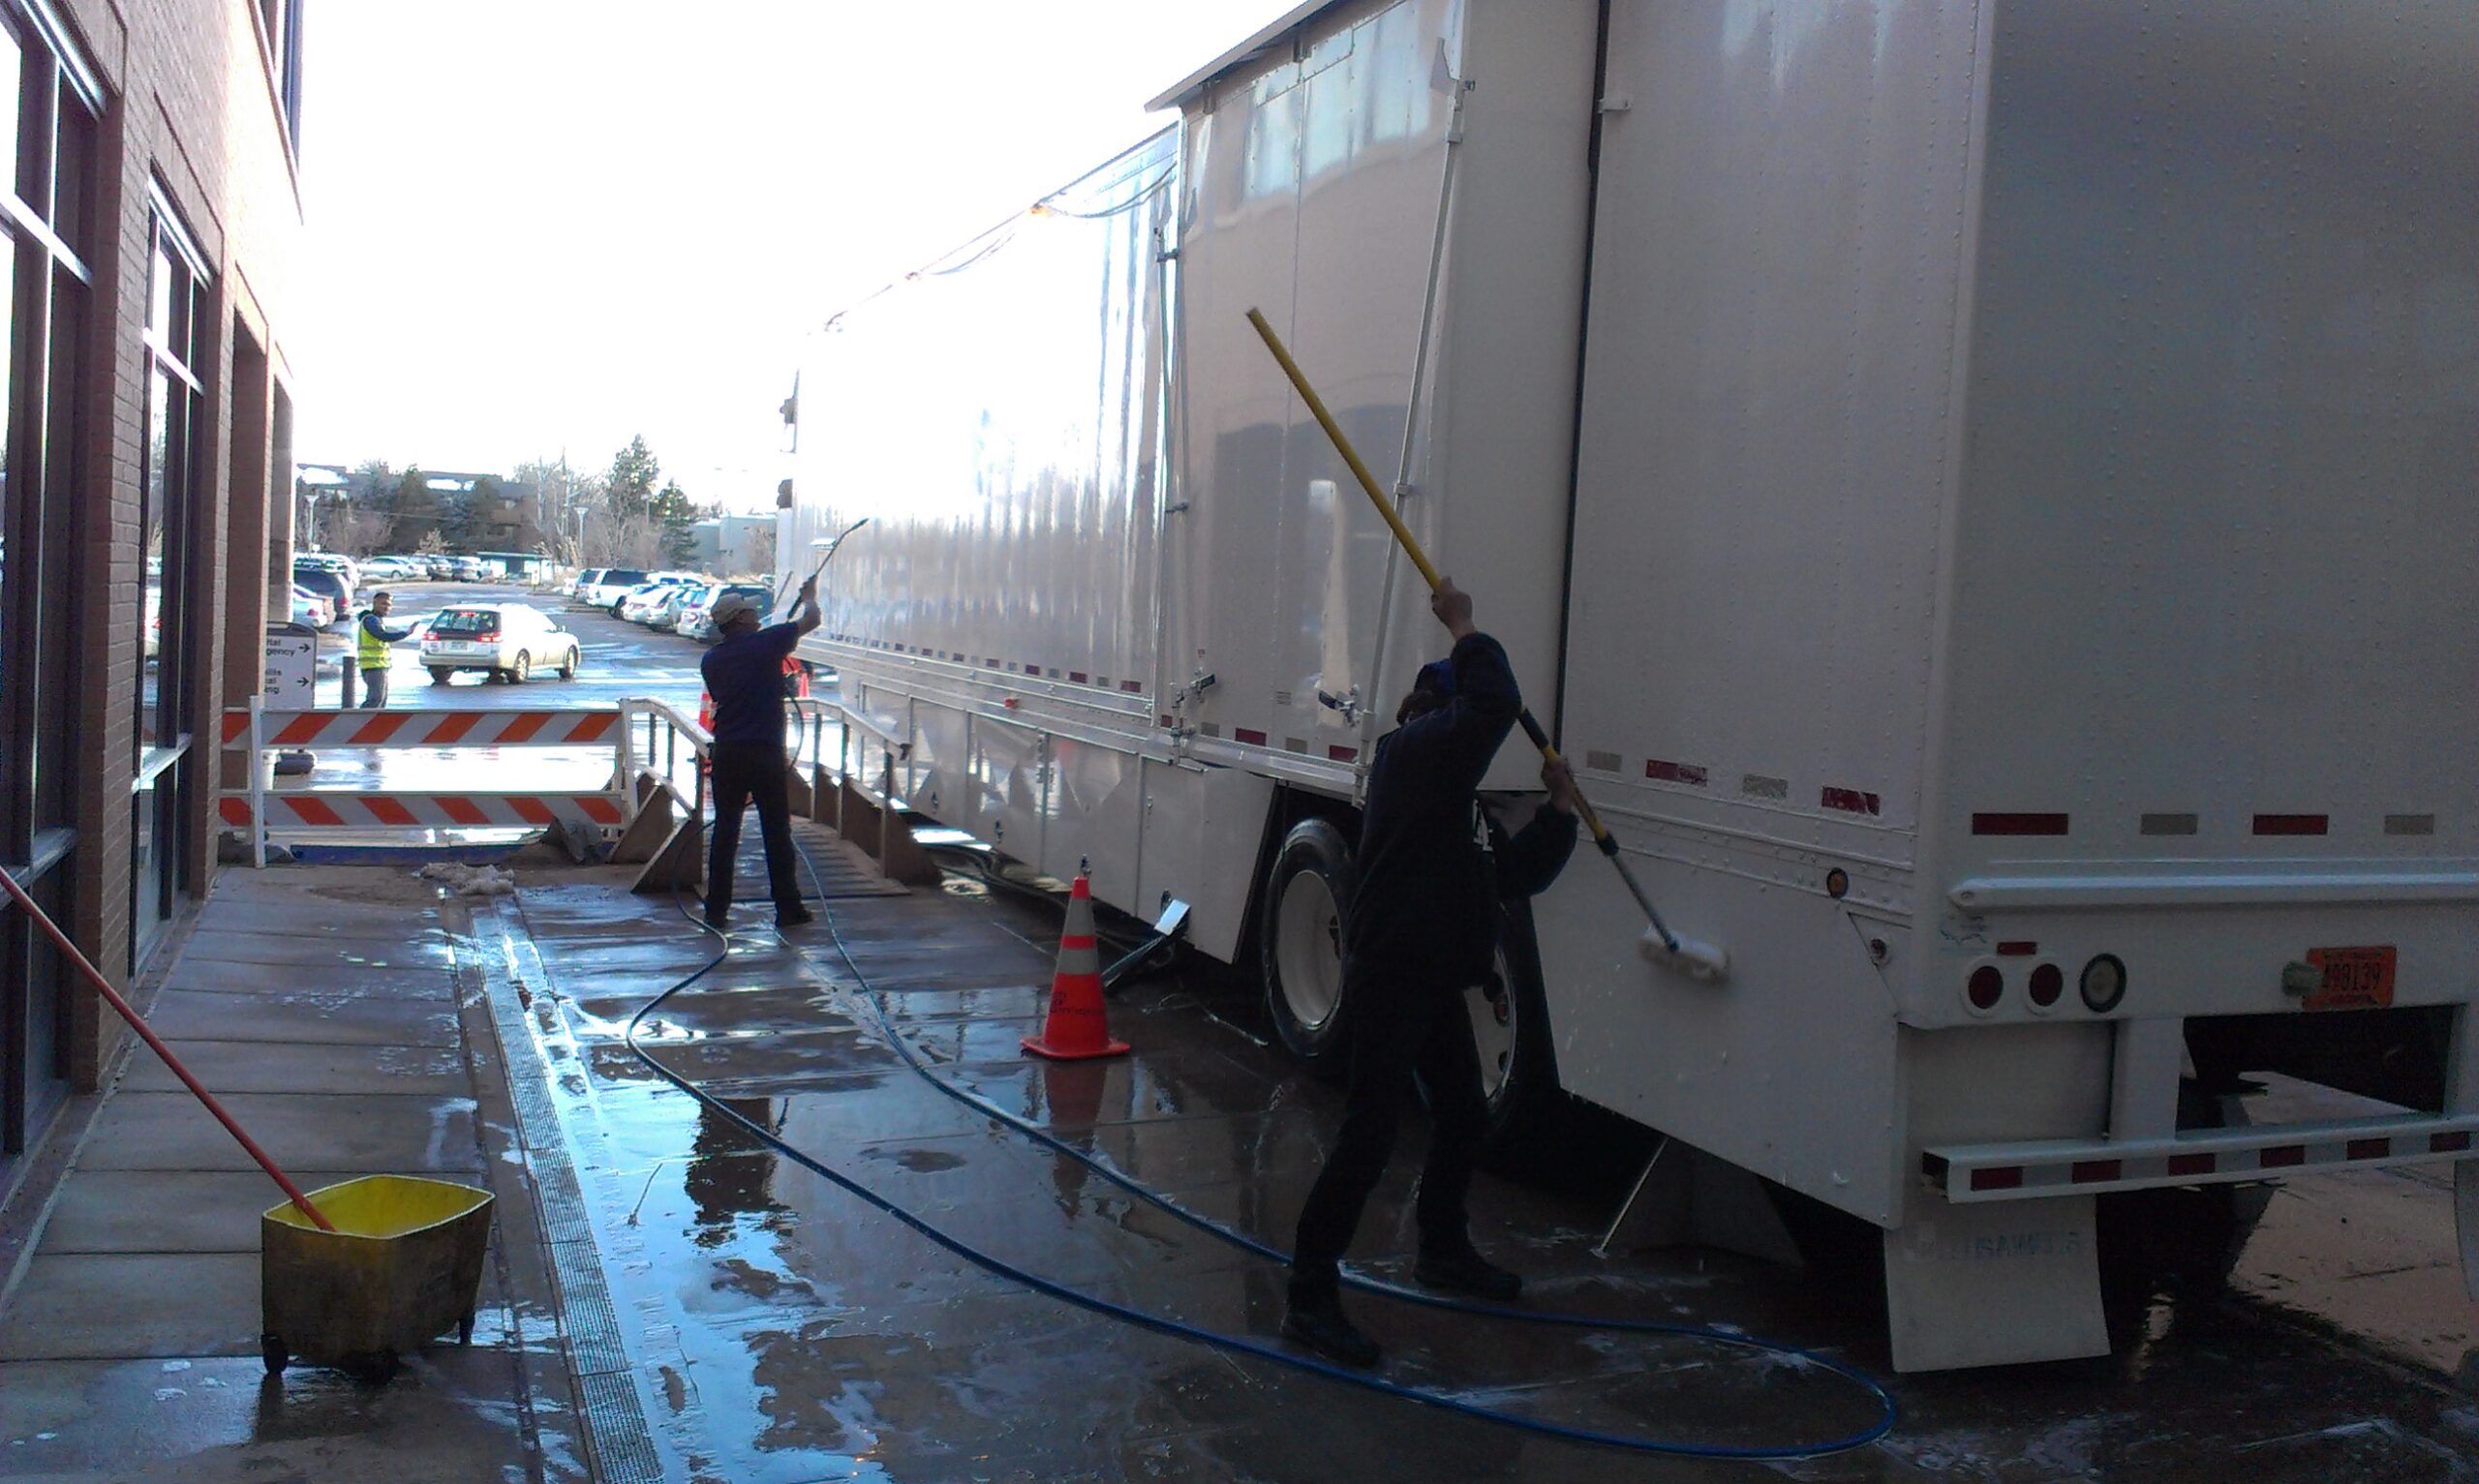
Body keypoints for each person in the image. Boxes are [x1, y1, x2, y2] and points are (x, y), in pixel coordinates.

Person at [1283, 577, 1580, 1369]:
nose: (1471, 733)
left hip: (1432, 977)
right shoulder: (1413, 758)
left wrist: (1558, 814)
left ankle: (1442, 1250)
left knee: (1461, 1113)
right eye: (1457, 712)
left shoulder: (1454, 799)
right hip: (1390, 973)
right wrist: (1465, 625)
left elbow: (1508, 874)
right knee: (1369, 1135)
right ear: (1437, 711)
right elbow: (1494, 702)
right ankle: (1309, 1295)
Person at [699, 578, 820, 931]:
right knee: (776, 833)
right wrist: (809, 598)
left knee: (725, 832)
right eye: (750, 610)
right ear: (739, 619)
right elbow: (812, 619)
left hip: (728, 754)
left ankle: (716, 908)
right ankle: (787, 907)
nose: (756, 613)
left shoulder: (712, 659)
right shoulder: (765, 644)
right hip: (764, 752)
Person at [354, 591, 419, 709]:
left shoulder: (376, 620)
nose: (387, 607)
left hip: (378, 666)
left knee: (380, 701)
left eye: (389, 605)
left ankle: (373, 725)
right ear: (375, 603)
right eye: (383, 604)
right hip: (373, 666)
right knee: (375, 699)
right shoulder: (370, 620)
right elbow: (382, 636)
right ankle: (359, 723)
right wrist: (405, 633)